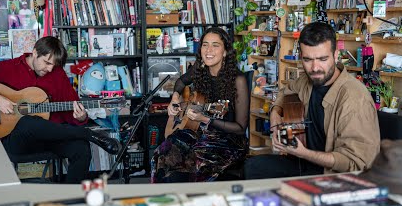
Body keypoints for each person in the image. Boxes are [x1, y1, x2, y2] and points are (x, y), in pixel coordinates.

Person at [0, 36, 120, 184]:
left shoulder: (57, 74)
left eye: (53, 65)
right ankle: (88, 133)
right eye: (47, 63)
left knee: (81, 148)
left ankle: (72, 200)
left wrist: (81, 117)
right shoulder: (6, 68)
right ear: (35, 52)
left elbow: (71, 109)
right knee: (27, 122)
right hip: (18, 142)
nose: (49, 69)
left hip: (52, 138)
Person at [244, 22, 380, 179]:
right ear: (301, 56)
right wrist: (275, 114)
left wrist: (305, 153)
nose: (315, 68)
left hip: (332, 175)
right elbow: (285, 92)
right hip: (301, 161)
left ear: (336, 55)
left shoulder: (355, 99)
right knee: (251, 167)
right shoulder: (307, 80)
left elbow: (357, 163)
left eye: (322, 59)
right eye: (308, 60)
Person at [151, 27, 249, 183]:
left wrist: (206, 119)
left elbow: (240, 128)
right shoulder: (200, 68)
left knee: (192, 159)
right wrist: (175, 98)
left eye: (215, 45)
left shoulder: (238, 80)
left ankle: (195, 202)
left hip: (228, 140)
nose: (209, 50)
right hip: (199, 131)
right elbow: (181, 81)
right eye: (205, 44)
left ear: (225, 52)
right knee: (163, 152)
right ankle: (166, 201)